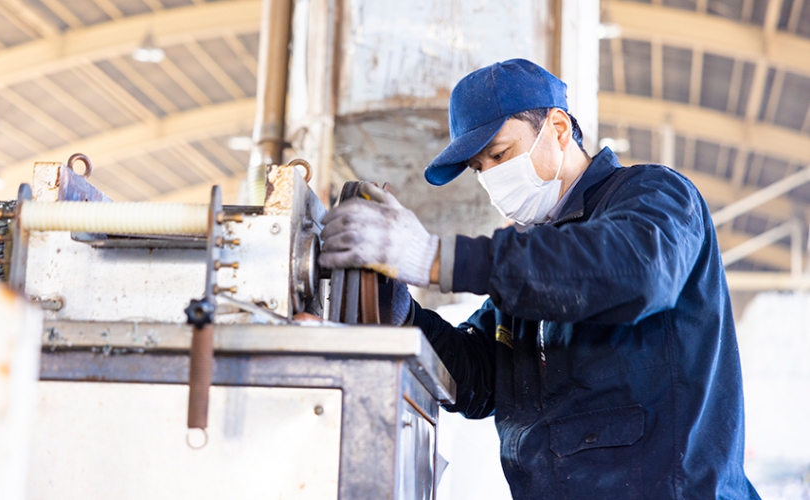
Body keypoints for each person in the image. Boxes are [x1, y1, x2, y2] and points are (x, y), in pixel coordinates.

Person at [319, 59, 760, 499]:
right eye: (478, 167)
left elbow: (638, 270)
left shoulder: (656, 196)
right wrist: (404, 318)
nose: (490, 176)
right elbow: (476, 378)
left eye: (499, 154)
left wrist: (435, 257)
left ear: (559, 128)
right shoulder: (530, 272)